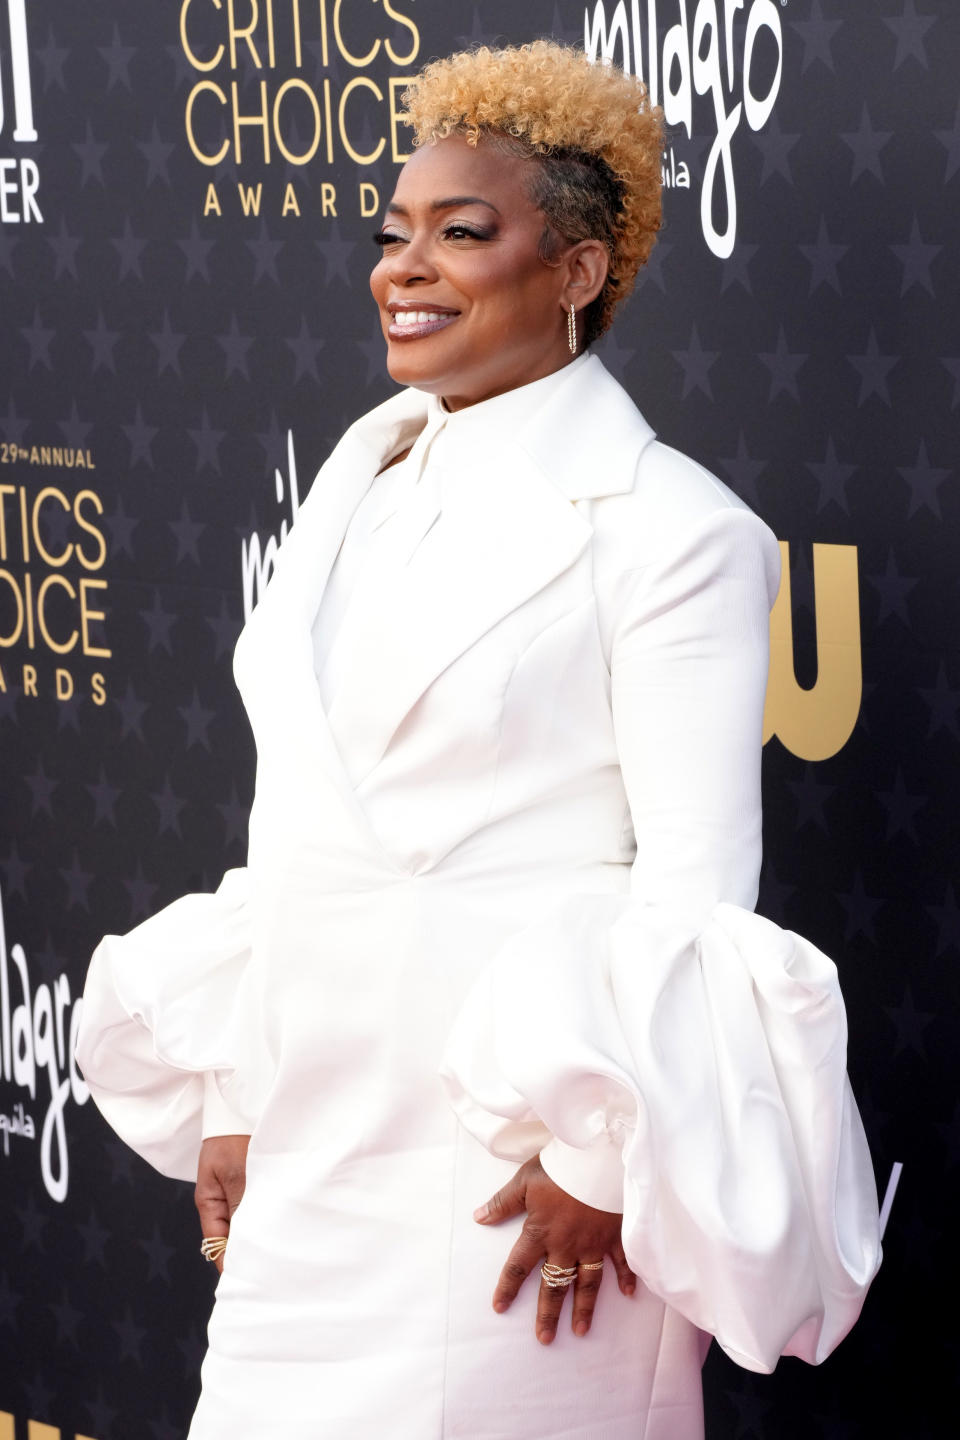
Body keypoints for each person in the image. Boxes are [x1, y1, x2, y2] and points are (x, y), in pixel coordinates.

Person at [76, 40, 881, 1440]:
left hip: (512, 1179)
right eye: (394, 236)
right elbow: (304, 828)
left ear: (578, 272)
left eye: (463, 234)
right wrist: (233, 1080)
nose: (407, 268)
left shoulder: (670, 533)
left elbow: (696, 880)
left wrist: (604, 1159)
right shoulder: (361, 475)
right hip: (313, 1166)